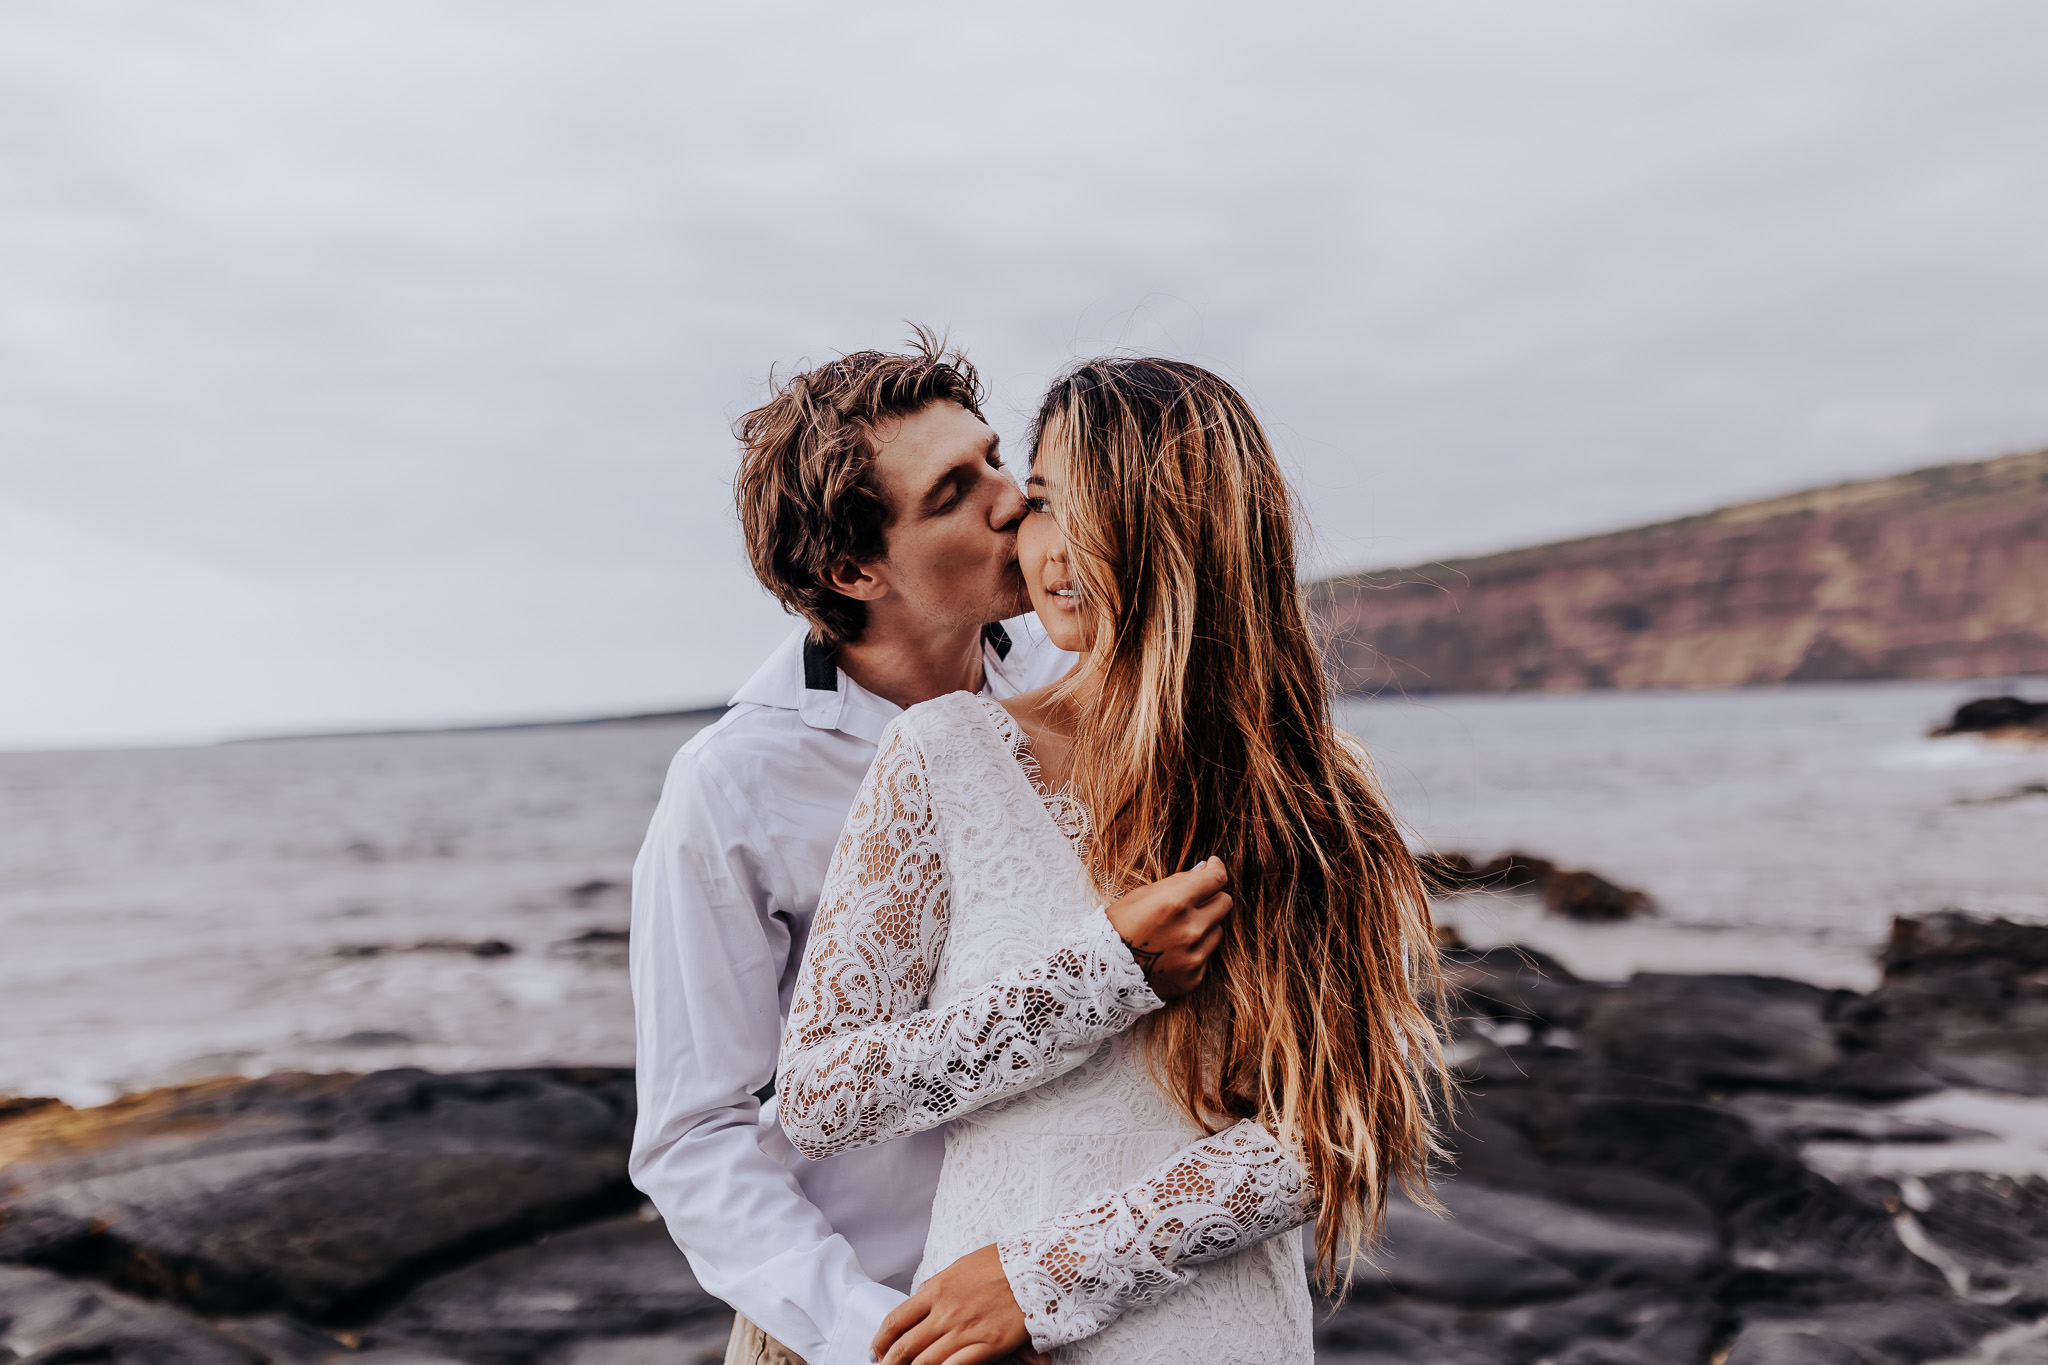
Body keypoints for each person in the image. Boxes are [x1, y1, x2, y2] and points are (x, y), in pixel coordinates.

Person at [776, 357, 1451, 1364]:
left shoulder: (1315, 788)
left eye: (1094, 509)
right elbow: (819, 1094)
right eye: (1040, 503)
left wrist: (1047, 1274)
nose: (1049, 547)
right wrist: (1098, 977)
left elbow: (1336, 1126)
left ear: (1187, 531)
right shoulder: (943, 755)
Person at [629, 334, 1245, 1365]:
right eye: (954, 491)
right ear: (851, 567)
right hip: (868, 1325)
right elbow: (694, 1136)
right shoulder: (732, 783)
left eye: (998, 460)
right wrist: (872, 1333)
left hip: (1088, 1295)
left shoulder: (1087, 683)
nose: (1013, 501)